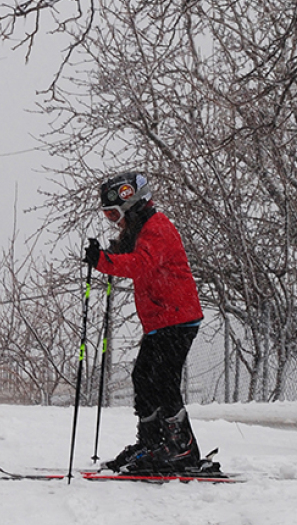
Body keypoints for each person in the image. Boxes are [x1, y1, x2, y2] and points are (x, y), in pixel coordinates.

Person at [83, 172, 208, 474]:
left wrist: (104, 261)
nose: (115, 222)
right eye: (109, 215)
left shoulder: (158, 228)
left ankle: (182, 448)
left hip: (178, 318)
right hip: (160, 320)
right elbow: (131, 254)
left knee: (164, 381)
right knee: (143, 378)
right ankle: (153, 442)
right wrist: (110, 253)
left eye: (116, 214)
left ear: (133, 205)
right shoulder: (142, 231)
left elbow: (141, 263)